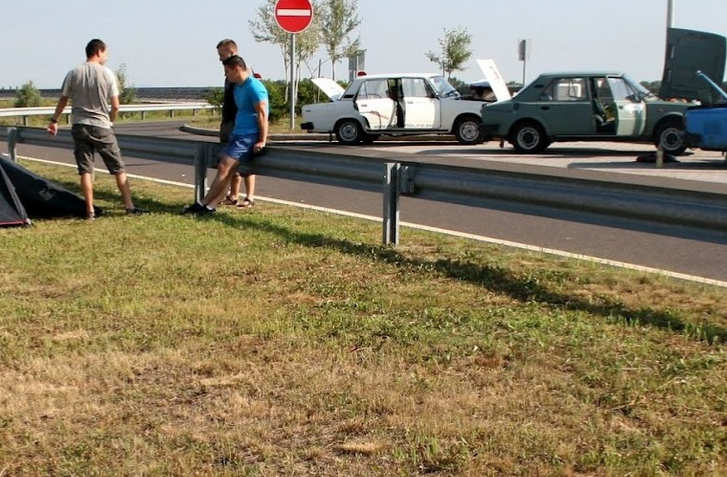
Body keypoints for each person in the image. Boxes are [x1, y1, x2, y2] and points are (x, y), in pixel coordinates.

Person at [47, 39, 143, 220]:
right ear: (99, 51)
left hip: (79, 124)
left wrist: (54, 120)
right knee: (118, 167)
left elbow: (63, 99)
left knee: (85, 169)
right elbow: (115, 106)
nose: (106, 57)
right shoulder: (107, 74)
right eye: (106, 53)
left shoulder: (73, 73)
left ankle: (89, 210)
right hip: (101, 126)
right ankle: (129, 206)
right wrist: (110, 121)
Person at [182, 55, 268, 215]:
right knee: (226, 171)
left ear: (236, 69)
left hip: (248, 136)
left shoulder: (254, 87)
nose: (225, 75)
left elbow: (262, 114)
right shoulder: (238, 87)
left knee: (224, 166)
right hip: (237, 133)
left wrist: (261, 140)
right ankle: (210, 206)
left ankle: (203, 203)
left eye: (227, 71)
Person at [216, 39, 257, 209]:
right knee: (229, 160)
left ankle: (250, 196)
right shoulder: (228, 73)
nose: (219, 58)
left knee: (244, 161)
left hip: (240, 123)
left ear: (231, 52)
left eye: (221, 54)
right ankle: (233, 195)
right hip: (228, 121)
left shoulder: (244, 73)